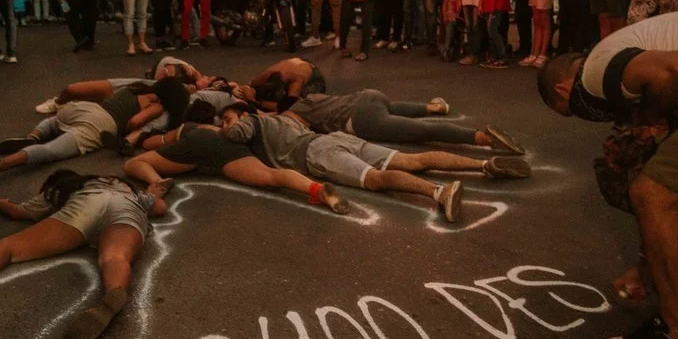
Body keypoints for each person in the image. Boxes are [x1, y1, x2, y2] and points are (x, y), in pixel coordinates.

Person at [536, 11, 678, 339]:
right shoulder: (621, 48)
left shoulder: (594, 74)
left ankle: (675, 337)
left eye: (569, 111)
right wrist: (645, 267)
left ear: (564, 90)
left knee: (652, 194)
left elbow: (674, 68)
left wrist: (651, 122)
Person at [0, 170, 170, 339]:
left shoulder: (62, 189)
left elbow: (20, 212)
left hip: (86, 205)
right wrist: (153, 194)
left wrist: (1, 204)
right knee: (115, 257)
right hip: (127, 207)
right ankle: (113, 294)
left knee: (11, 247)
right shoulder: (123, 187)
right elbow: (160, 208)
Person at [222, 107, 528, 224]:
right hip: (333, 139)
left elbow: (236, 133)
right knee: (412, 159)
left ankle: (439, 192)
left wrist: (223, 126)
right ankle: (485, 164)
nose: (226, 123)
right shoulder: (280, 118)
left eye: (227, 117)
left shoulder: (251, 121)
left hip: (316, 153)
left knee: (375, 179)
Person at [0, 78, 190, 188]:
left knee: (53, 122)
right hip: (102, 123)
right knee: (52, 151)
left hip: (83, 107)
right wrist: (132, 131)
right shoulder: (158, 105)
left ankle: (33, 136)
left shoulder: (137, 86)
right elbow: (135, 121)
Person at [124, 106, 349, 214]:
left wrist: (152, 136)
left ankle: (156, 182)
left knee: (134, 163)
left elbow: (150, 144)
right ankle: (316, 189)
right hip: (229, 150)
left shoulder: (190, 128)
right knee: (271, 176)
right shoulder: (226, 131)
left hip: (197, 146)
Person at [286, 90, 526, 153]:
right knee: (391, 109)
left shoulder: (293, 113)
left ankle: (483, 138)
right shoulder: (311, 97)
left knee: (423, 131)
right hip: (369, 96)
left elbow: (296, 130)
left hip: (362, 120)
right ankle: (434, 107)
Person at [234, 57, 327, 111]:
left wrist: (256, 101)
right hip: (295, 63)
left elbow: (290, 107)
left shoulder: (297, 80)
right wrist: (246, 90)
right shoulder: (267, 75)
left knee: (302, 106)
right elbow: (248, 85)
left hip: (313, 75)